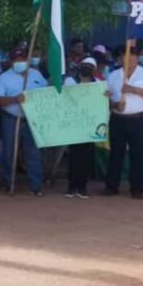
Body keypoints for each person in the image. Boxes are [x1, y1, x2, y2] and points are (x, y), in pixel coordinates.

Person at [104, 43, 143, 199]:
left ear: (136, 58)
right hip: (118, 118)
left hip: (138, 119)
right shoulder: (114, 75)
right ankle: (111, 186)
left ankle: (136, 187)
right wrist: (114, 104)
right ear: (121, 58)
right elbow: (106, 97)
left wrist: (134, 90)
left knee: (138, 154)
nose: (129, 59)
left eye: (132, 56)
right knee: (116, 153)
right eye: (125, 56)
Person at [0, 50, 48, 196]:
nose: (20, 62)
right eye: (16, 59)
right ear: (11, 62)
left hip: (31, 119)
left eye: (23, 59)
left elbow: (46, 91)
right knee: (9, 151)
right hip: (11, 118)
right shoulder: (4, 78)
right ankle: (9, 182)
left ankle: (36, 186)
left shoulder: (36, 74)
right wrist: (14, 99)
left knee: (33, 152)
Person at [63, 57, 101, 198]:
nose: (86, 68)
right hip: (74, 124)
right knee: (74, 155)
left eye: (90, 66)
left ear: (94, 70)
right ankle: (71, 187)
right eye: (84, 65)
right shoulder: (70, 81)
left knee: (86, 156)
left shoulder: (99, 84)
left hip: (90, 125)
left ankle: (82, 187)